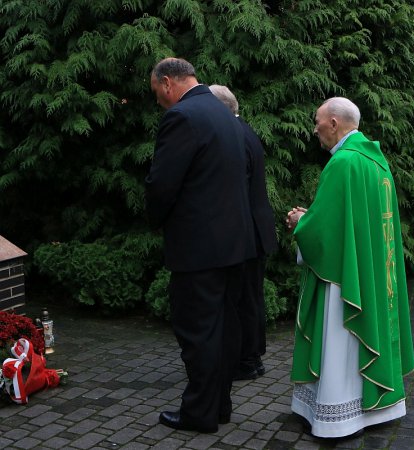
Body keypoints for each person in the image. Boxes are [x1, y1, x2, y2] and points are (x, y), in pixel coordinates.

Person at [285, 97, 414, 438]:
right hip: (371, 270)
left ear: (333, 124)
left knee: (341, 341)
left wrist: (301, 221)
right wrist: (313, 218)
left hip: (346, 276)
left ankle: (340, 418)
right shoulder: (376, 161)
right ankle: (374, 409)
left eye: (317, 122)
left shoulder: (343, 163)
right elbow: (353, 221)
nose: (314, 129)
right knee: (363, 341)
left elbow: (323, 230)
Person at [145, 58, 256, 433]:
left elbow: (162, 184)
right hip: (234, 244)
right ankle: (219, 405)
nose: (159, 101)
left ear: (166, 83)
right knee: (224, 329)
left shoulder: (183, 116)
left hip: (199, 249)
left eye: (156, 93)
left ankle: (199, 413)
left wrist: (155, 218)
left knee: (198, 332)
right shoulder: (224, 114)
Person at [208, 84, 278, 380]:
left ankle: (247, 360)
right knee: (250, 298)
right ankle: (250, 358)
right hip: (255, 227)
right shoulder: (246, 131)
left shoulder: (234, 136)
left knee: (244, 300)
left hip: (246, 230)